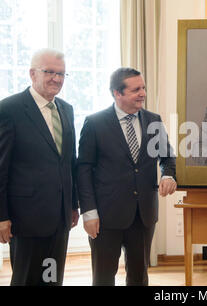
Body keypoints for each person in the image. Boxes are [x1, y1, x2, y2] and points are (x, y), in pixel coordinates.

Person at [0, 48, 79, 286]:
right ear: (32, 74)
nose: (56, 78)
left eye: (62, 74)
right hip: (25, 218)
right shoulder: (9, 110)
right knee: (26, 279)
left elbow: (70, 163)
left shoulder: (66, 109)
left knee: (52, 277)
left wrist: (73, 204)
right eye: (49, 72)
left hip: (60, 216)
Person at [77, 67, 177, 286]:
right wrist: (88, 212)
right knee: (103, 277)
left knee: (139, 277)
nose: (142, 93)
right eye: (135, 90)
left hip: (143, 215)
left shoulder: (153, 120)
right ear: (117, 93)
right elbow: (83, 170)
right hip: (105, 217)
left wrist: (168, 176)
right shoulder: (94, 124)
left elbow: (168, 157)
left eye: (143, 88)